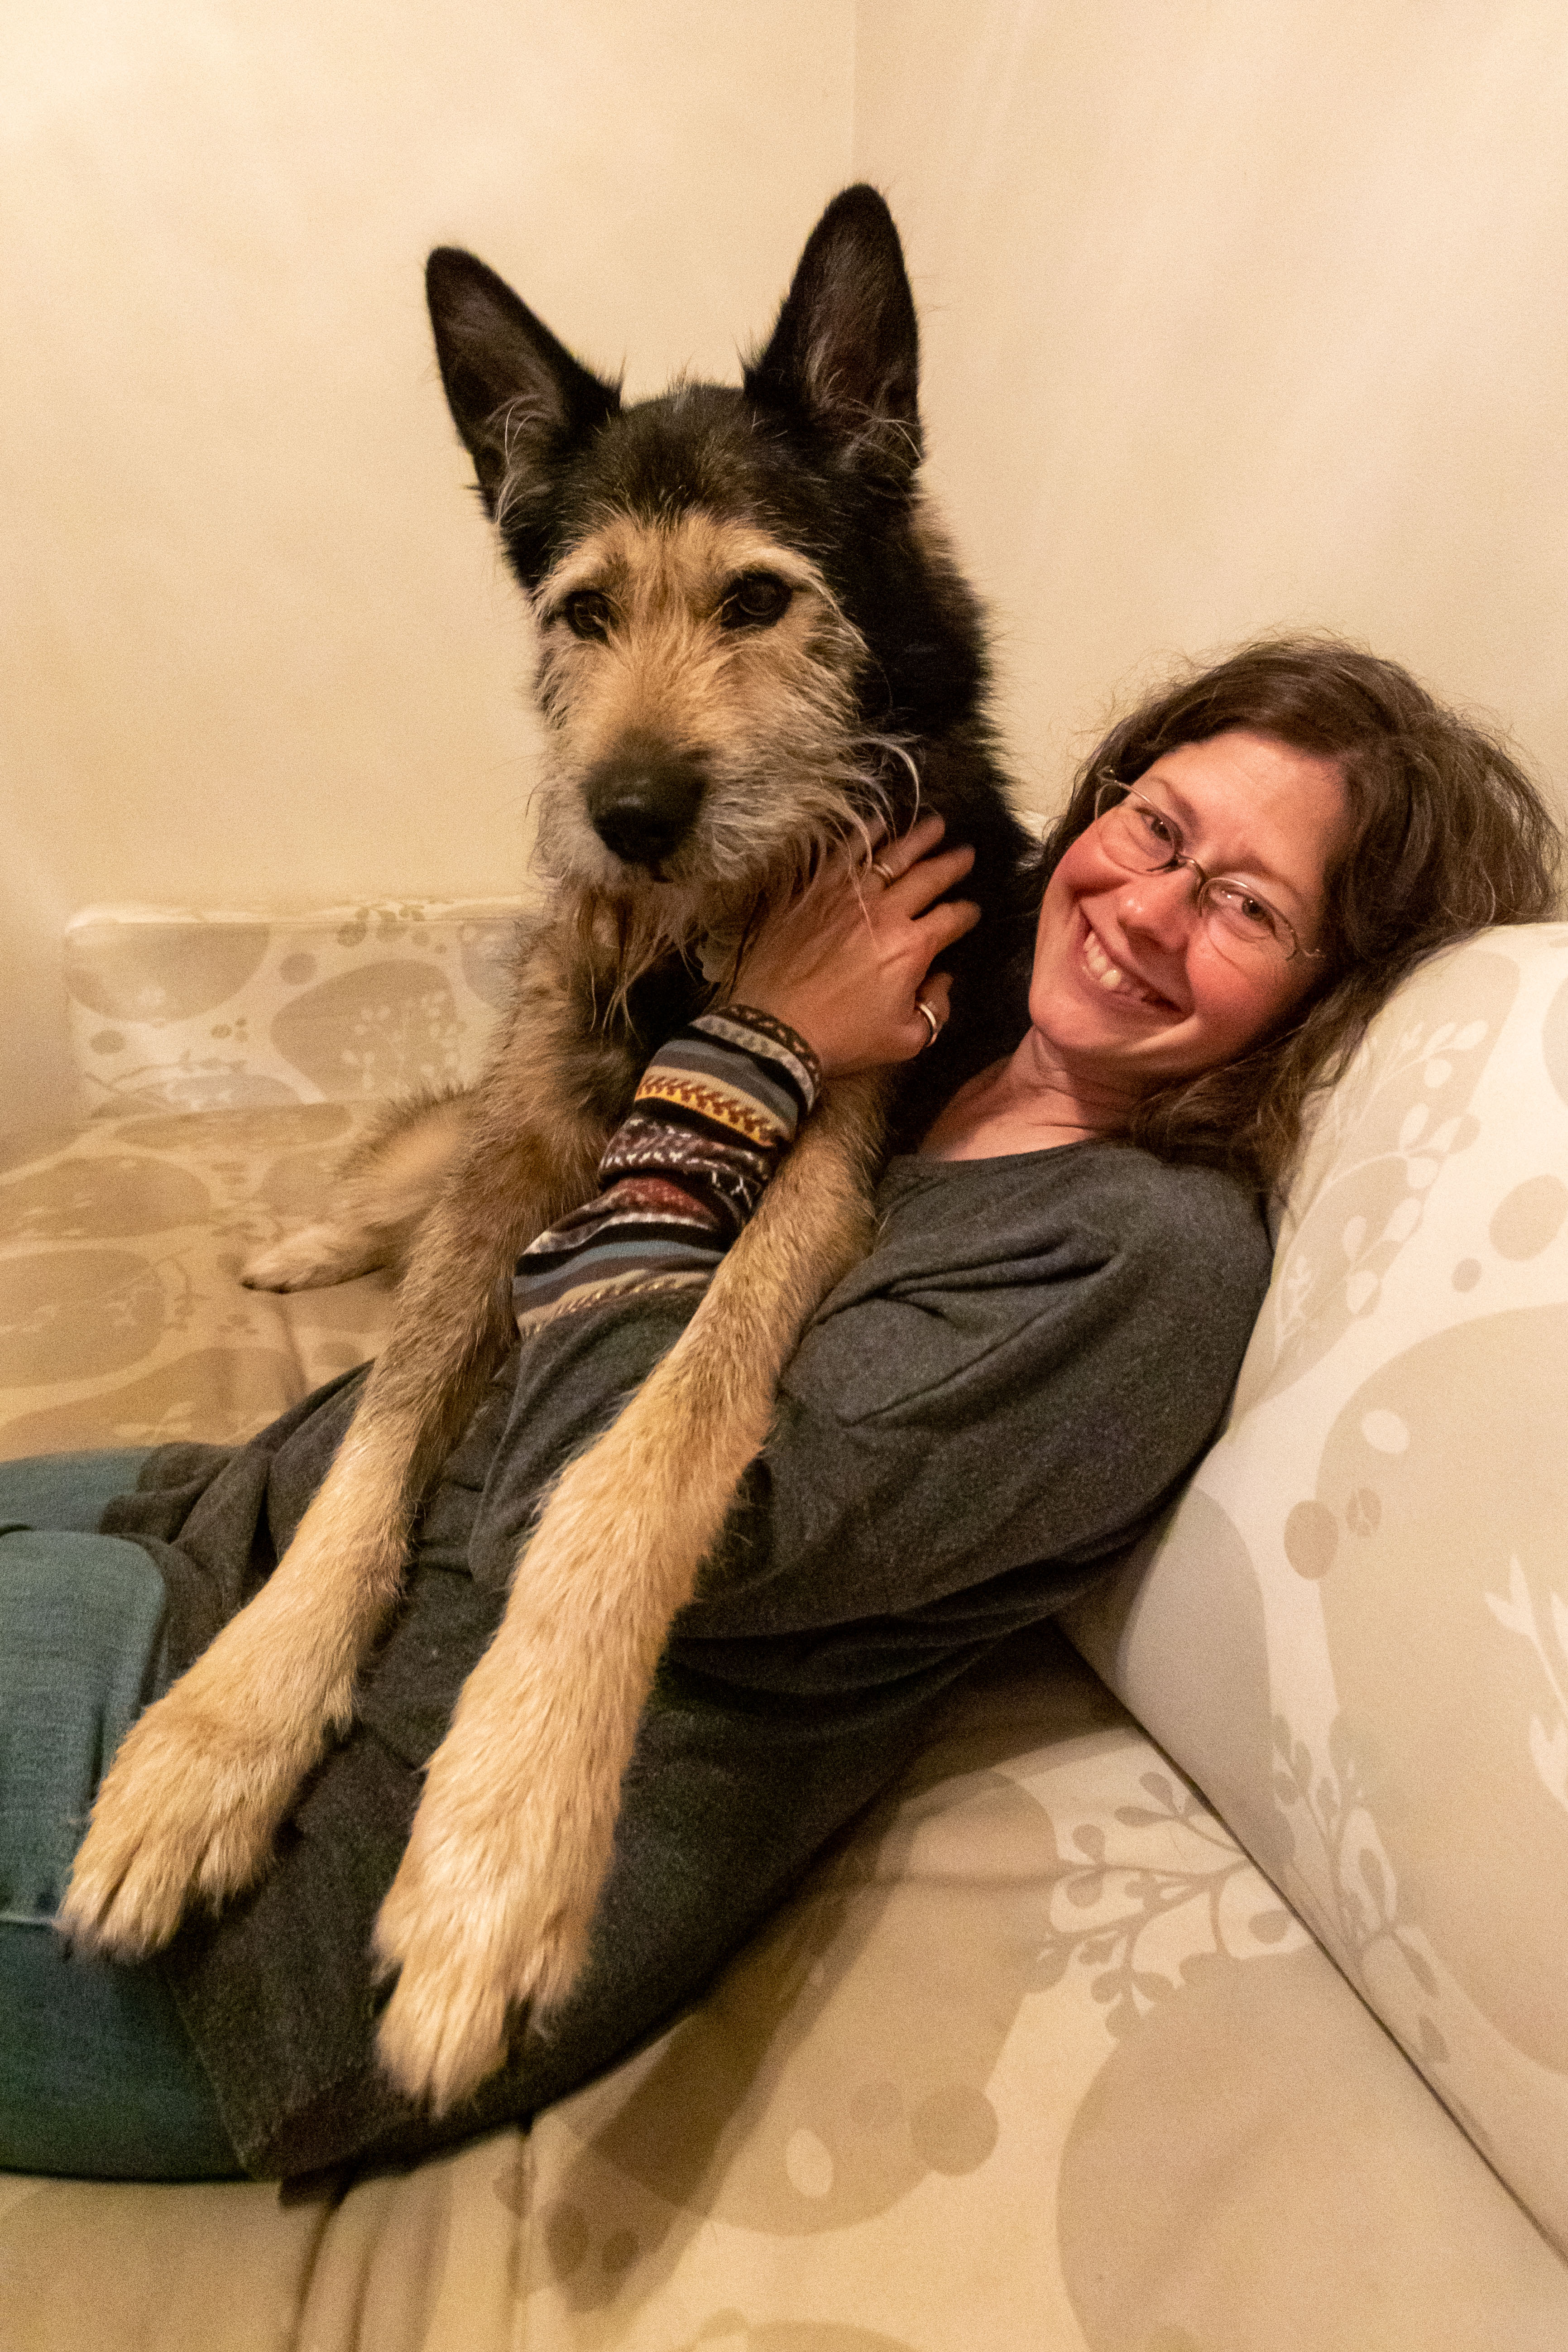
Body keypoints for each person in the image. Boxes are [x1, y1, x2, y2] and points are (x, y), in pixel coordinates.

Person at [0, 635, 1558, 2182]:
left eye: (1247, 906)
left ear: (1321, 999)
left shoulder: (1144, 1257)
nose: (1150, 905)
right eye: (1157, 825)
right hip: (266, 1532)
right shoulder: (951, 1037)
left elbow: (612, 1505)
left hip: (325, 1865)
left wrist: (758, 1046)